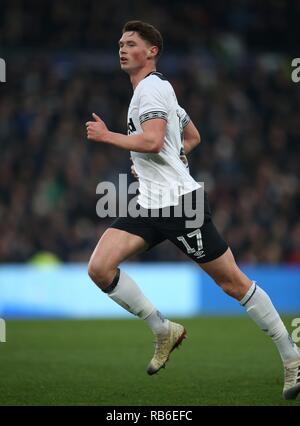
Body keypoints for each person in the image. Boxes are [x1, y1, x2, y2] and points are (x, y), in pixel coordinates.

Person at [85, 20, 300, 399]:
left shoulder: (151, 90)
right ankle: (163, 329)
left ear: (151, 51)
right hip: (150, 202)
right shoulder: (154, 90)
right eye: (120, 42)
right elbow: (191, 136)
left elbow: (152, 140)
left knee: (233, 282)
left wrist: (109, 137)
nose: (122, 48)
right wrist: (167, 158)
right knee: (100, 268)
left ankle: (291, 355)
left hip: (180, 206)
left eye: (131, 43)